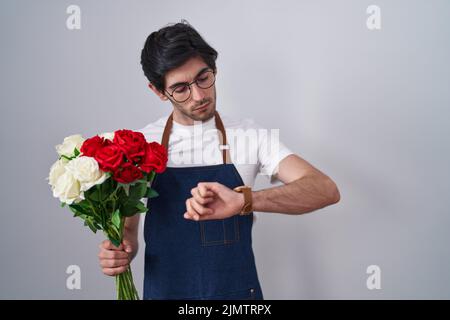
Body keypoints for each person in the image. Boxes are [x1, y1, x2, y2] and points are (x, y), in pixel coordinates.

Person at [98, 21, 340, 300]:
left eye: (203, 78)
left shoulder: (250, 136)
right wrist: (119, 252)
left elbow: (325, 189)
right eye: (180, 88)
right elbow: (129, 232)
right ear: (157, 91)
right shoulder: (139, 145)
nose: (199, 95)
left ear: (215, 69)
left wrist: (244, 201)